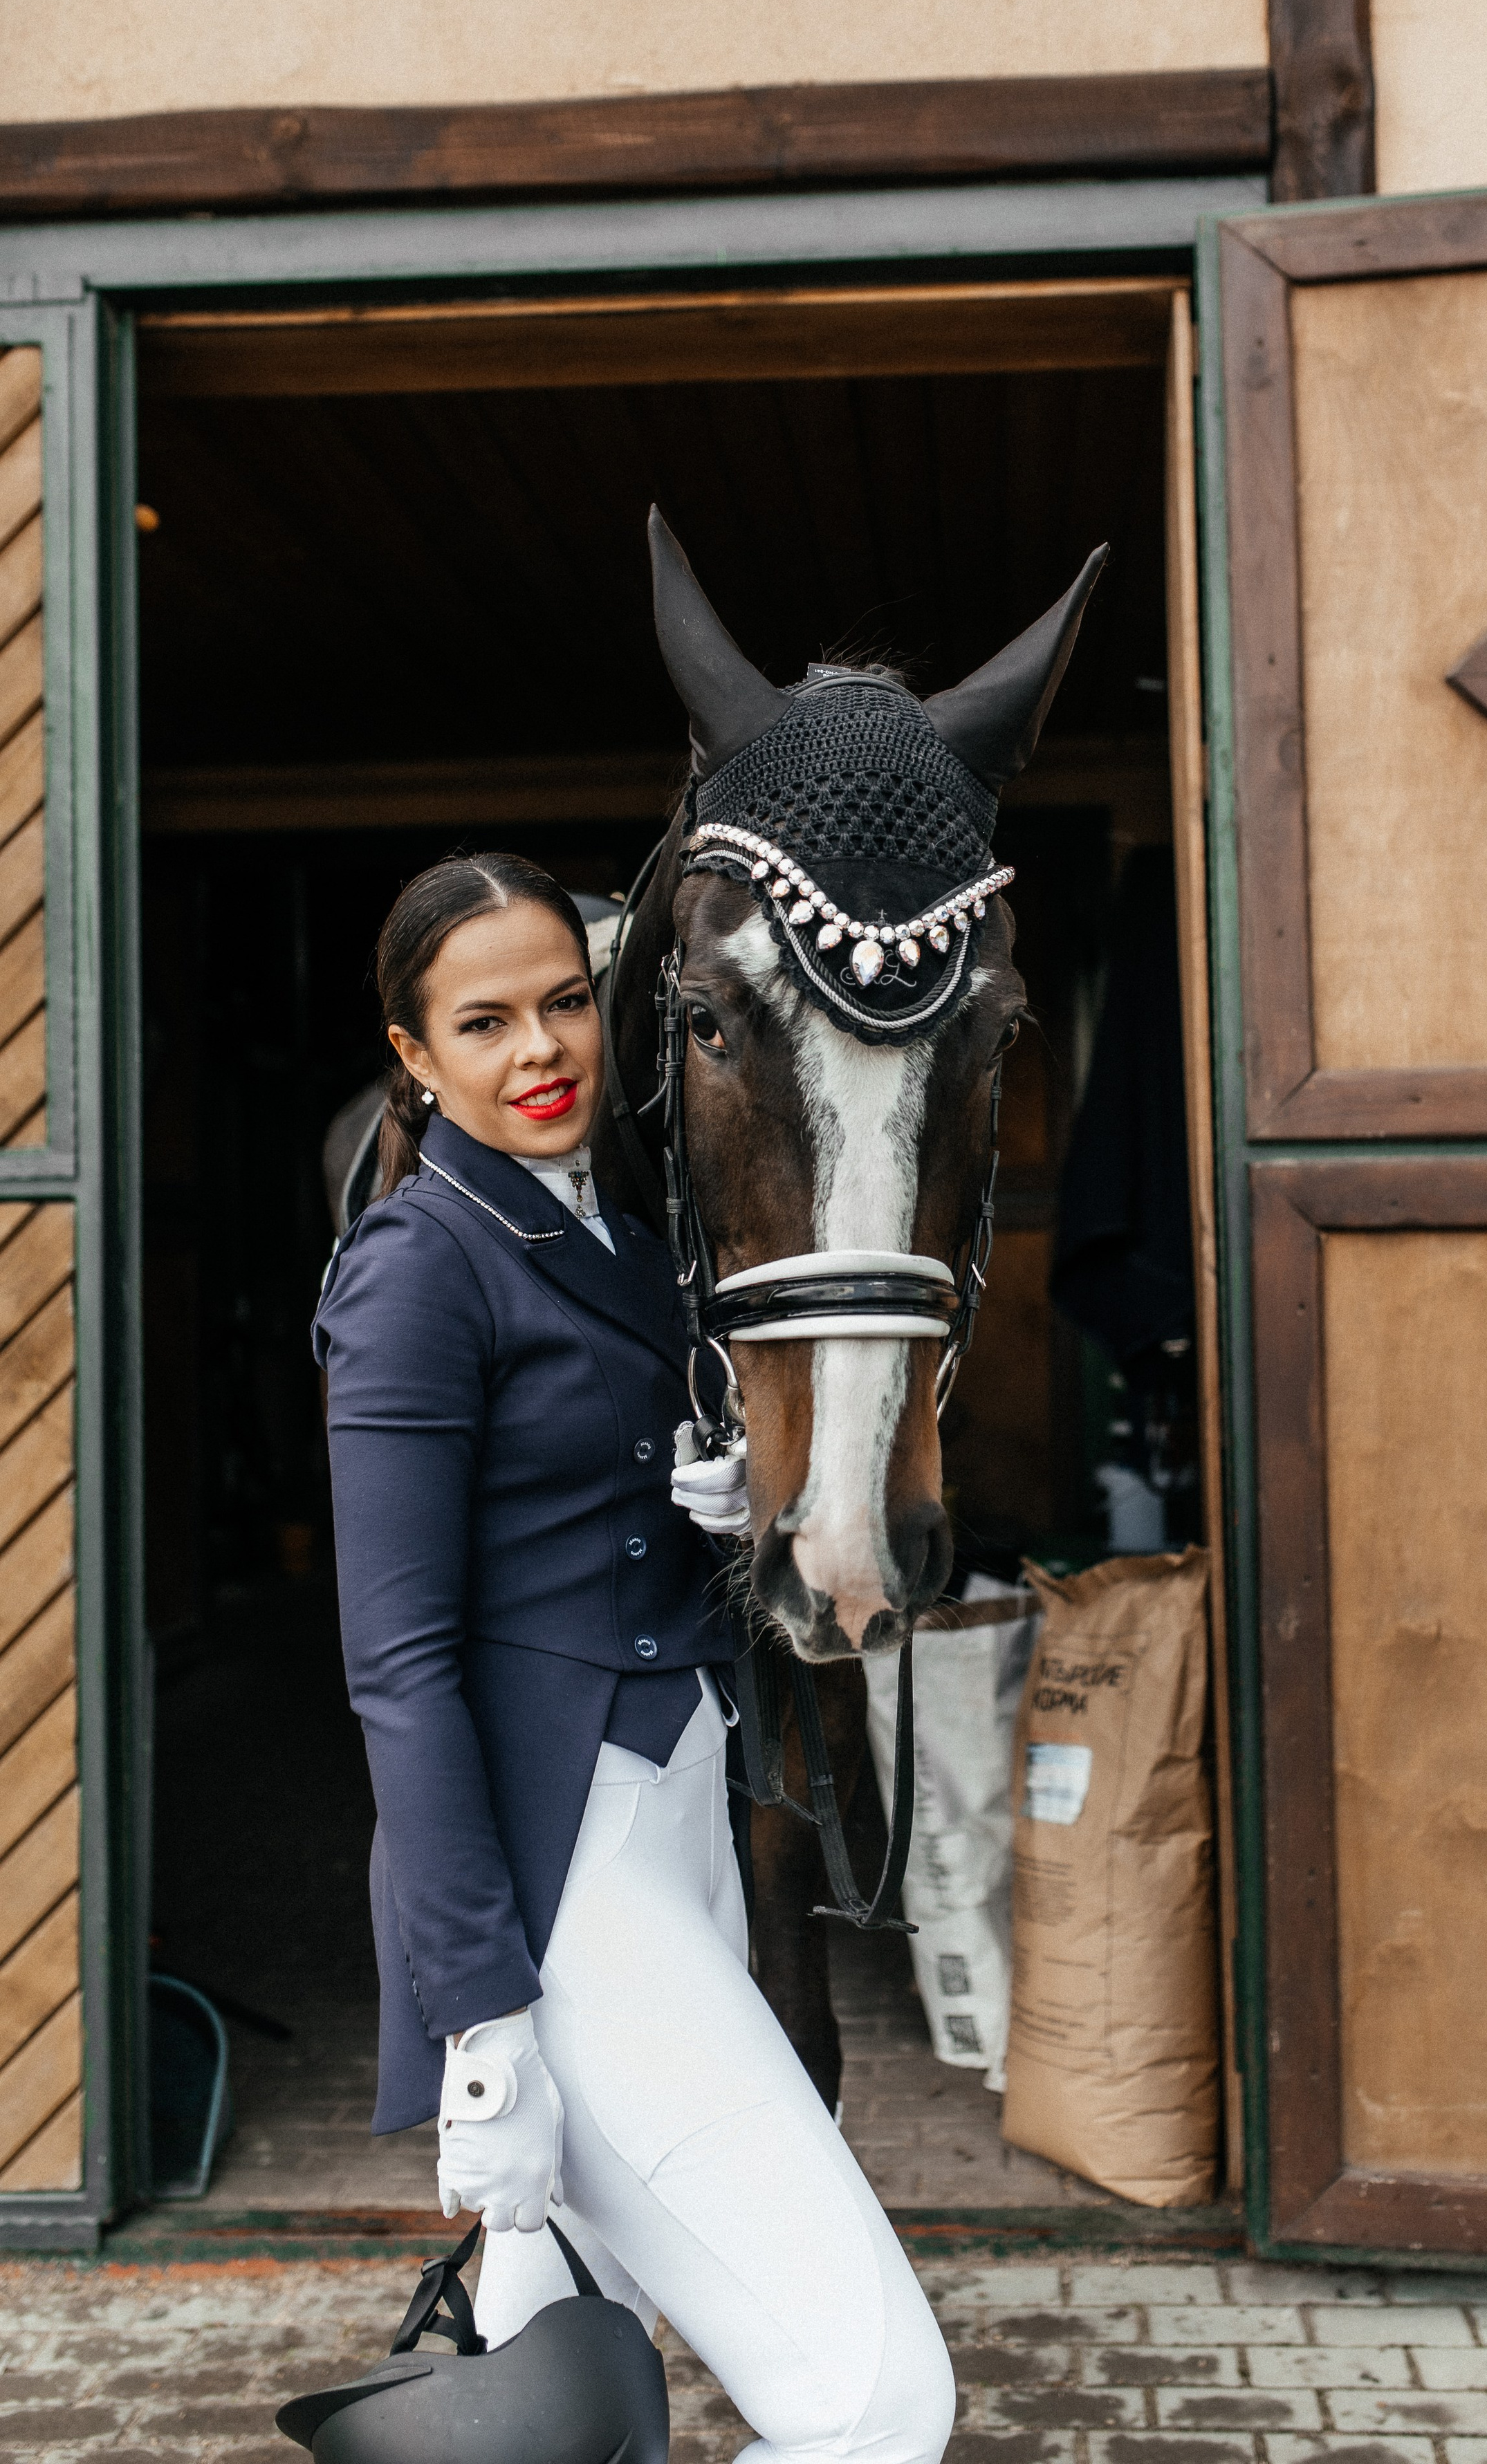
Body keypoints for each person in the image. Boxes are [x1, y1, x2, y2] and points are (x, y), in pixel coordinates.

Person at [313, 851, 954, 2464]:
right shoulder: (413, 1274)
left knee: (554, 2401)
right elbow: (399, 1668)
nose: (538, 1052)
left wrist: (720, 1509)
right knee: (875, 2403)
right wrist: (483, 2034)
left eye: (562, 1003)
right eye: (483, 1023)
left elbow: (594, 1522)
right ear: (414, 1056)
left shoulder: (622, 1230)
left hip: (679, 1821)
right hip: (564, 1891)